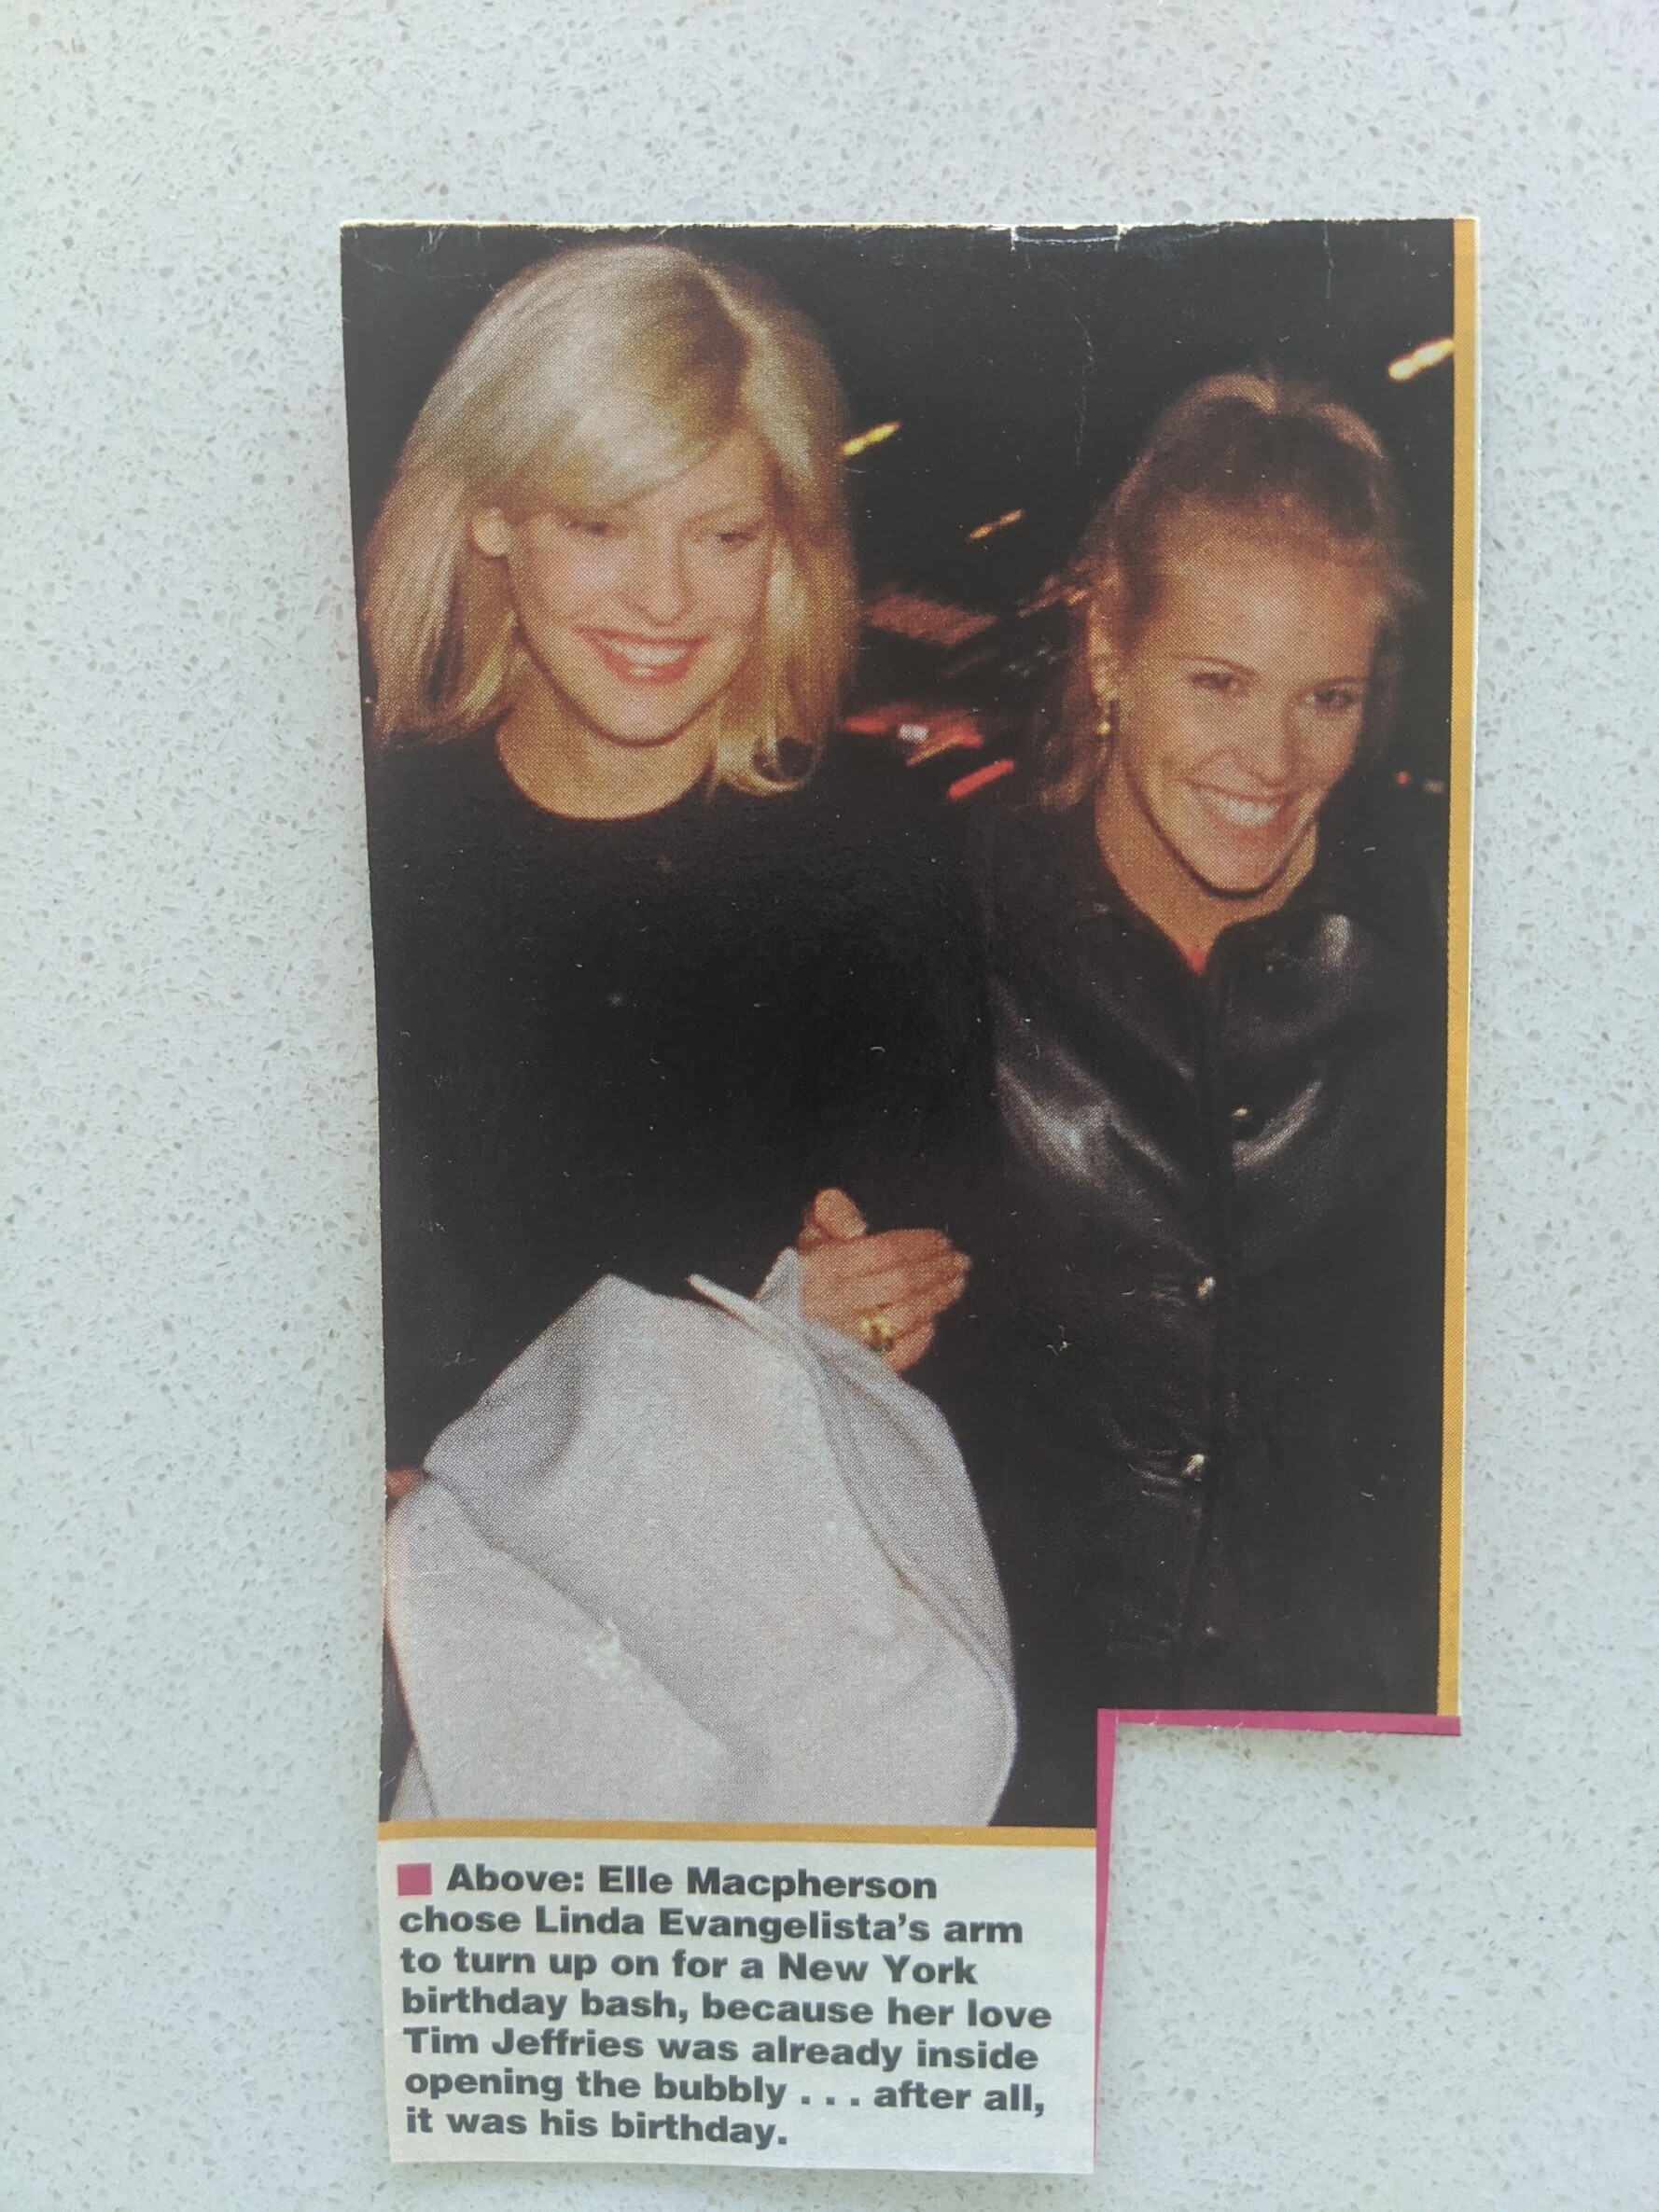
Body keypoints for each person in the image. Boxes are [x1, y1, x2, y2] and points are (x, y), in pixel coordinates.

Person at [358, 245, 991, 1804]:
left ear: (788, 549)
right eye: (600, 525)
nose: (664, 600)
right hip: (403, 1670)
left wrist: (879, 1317)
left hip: (744, 1703)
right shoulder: (357, 847)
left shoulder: (878, 855)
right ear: (491, 513)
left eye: (722, 535)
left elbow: (912, 1294)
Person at [957, 369, 1448, 1825]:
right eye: (1217, 683)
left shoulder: (1449, 943)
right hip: (1024, 1742)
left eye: (1325, 699)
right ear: (1109, 644)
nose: (1271, 762)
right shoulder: (945, 928)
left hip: (1348, 1744)